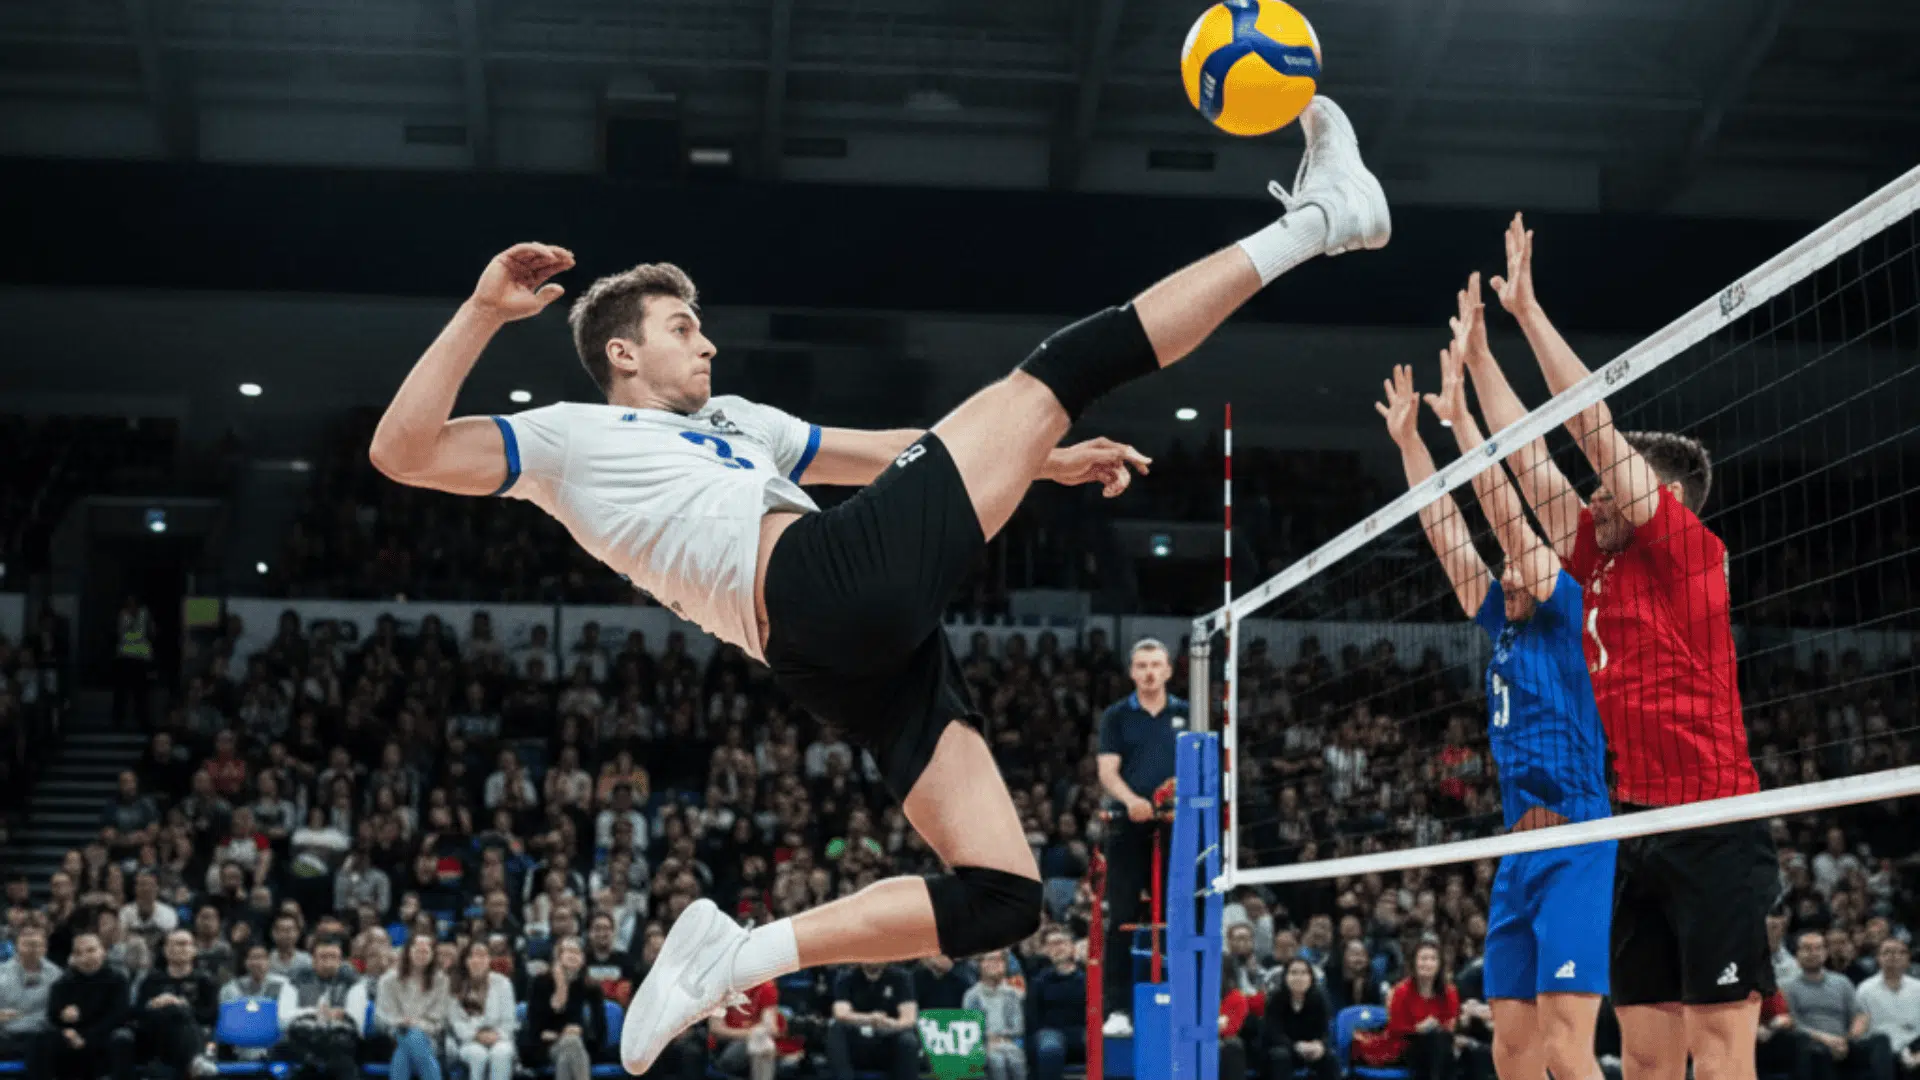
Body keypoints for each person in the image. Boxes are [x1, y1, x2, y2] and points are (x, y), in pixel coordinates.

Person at [366, 93, 1390, 1076]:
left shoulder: (739, 422)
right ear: (623, 352)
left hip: (836, 651)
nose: (707, 340)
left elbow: (890, 452)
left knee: (1003, 898)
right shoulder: (568, 439)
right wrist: (482, 313)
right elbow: (402, 452)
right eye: (682, 327)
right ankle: (1320, 220)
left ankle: (739, 957)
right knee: (1067, 367)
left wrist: (1043, 461)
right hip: (820, 588)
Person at [1465, 216, 1776, 1080]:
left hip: (1712, 823)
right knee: (1642, 1058)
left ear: (1660, 497)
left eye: (1609, 487)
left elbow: (1591, 428)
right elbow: (1532, 462)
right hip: (1630, 825)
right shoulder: (1595, 560)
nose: (1593, 495)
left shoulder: (1686, 553)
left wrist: (1530, 315)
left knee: (1719, 1054)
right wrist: (1482, 363)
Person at [1384, 298, 1612, 1080]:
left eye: (1517, 564)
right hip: (1518, 852)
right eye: (1504, 569)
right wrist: (1412, 443)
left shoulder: (1566, 611)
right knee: (1511, 1050)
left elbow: (1506, 517)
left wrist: (1462, 424)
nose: (1505, 573)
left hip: (1577, 841)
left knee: (1566, 1049)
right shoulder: (1501, 622)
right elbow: (1446, 530)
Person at [1095, 638, 1186, 1034]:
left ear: (1168, 670)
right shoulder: (1116, 716)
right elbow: (1107, 771)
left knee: (1179, 914)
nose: (1149, 672)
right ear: (1132, 672)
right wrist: (1132, 801)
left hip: (1176, 825)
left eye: (1156, 665)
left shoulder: (1187, 713)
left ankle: (1181, 998)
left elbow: (1201, 764)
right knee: (1122, 916)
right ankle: (1118, 1009)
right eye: (1142, 666)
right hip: (1127, 824)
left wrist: (1180, 793)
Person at [1786, 930, 1894, 1080]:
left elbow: (1859, 1016)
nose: (1813, 953)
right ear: (1797, 955)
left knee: (1881, 1040)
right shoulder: (1788, 987)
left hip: (1844, 1042)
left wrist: (1847, 1039)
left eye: (1818, 948)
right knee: (1813, 1050)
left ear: (1825, 953)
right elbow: (1793, 1025)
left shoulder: (1842, 982)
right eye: (1807, 949)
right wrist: (1827, 1040)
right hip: (1813, 1044)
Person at [37, 933, 132, 1080]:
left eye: (91, 950)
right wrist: (64, 1022)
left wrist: (86, 1037)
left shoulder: (118, 979)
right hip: (72, 1037)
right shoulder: (63, 982)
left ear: (103, 952)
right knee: (41, 1038)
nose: (85, 957)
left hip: (104, 1035)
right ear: (73, 957)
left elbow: (118, 1016)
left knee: (122, 1038)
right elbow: (52, 1015)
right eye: (79, 953)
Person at [1360, 941, 1459, 1080]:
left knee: (1455, 1046)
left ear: (1440, 965)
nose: (1428, 963)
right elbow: (1395, 1028)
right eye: (1423, 959)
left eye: (1433, 959)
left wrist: (1440, 1027)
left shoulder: (1449, 992)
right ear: (1414, 963)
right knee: (1434, 1045)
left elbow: (1451, 1022)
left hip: (1440, 1043)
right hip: (1405, 1044)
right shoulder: (1401, 991)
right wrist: (1417, 1028)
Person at [520, 936, 605, 1080]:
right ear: (558, 956)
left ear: (583, 959)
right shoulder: (541, 983)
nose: (573, 956)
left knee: (569, 1048)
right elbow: (535, 1027)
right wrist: (561, 988)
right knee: (571, 1043)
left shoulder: (591, 988)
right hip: (545, 1047)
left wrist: (581, 1032)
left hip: (584, 1046)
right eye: (568, 951)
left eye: (577, 952)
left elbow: (599, 1029)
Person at [284, 936, 367, 1080]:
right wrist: (314, 1012)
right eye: (323, 957)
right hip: (304, 1039)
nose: (328, 963)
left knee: (341, 1052)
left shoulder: (354, 982)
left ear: (341, 960)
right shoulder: (295, 980)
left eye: (333, 957)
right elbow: (283, 1019)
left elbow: (357, 1021)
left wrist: (339, 1016)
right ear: (313, 960)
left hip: (341, 1043)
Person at [376, 932, 451, 1080]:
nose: (421, 955)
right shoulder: (389, 980)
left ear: (432, 955)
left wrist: (417, 1024)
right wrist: (401, 1022)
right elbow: (383, 1015)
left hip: (430, 1035)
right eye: (417, 950)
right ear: (408, 952)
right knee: (410, 1037)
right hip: (394, 1033)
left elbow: (439, 1017)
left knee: (405, 1049)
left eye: (425, 952)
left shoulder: (441, 980)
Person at [828, 962, 920, 1080]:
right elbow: (840, 1013)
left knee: (908, 1039)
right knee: (836, 1029)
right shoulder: (846, 977)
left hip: (888, 1038)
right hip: (858, 1039)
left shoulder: (901, 976)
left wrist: (891, 1024)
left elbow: (909, 1018)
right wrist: (871, 1018)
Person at [448, 941, 518, 1080]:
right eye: (472, 956)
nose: (477, 960)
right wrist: (476, 1035)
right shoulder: (456, 985)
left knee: (501, 1053)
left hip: (500, 1038)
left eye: (482, 956)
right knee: (477, 1054)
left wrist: (496, 1036)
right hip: (469, 1040)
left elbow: (509, 1021)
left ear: (489, 959)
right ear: (466, 961)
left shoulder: (503, 983)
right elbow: (456, 1022)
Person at [711, 977, 804, 1080]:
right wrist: (753, 1033)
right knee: (760, 1038)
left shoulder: (766, 987)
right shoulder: (721, 990)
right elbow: (716, 1029)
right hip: (728, 1047)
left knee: (761, 1041)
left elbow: (770, 1027)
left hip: (761, 1043)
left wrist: (757, 1033)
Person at [1027, 927, 1088, 1080]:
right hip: (1051, 1031)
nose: (1057, 948)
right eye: (1052, 945)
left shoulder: (1087, 979)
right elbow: (1033, 1017)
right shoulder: (1039, 981)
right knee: (1050, 1048)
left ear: (1072, 946)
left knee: (1106, 1043)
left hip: (1082, 1031)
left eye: (1061, 942)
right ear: (1046, 951)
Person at [1264, 957, 1336, 1080]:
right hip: (1284, 1048)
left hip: (1310, 1049)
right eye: (1294, 973)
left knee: (1329, 1057)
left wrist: (1319, 1045)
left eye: (1304, 973)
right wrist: (1296, 1046)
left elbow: (1325, 1031)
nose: (1299, 977)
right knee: (1280, 1056)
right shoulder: (1276, 999)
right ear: (1285, 977)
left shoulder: (1319, 999)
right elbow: (1274, 1034)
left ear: (1311, 977)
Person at [1859, 940, 1920, 1079]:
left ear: (1908, 958)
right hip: (1881, 1051)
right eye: (1887, 952)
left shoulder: (1918, 988)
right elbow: (1861, 1031)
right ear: (1878, 958)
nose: (1894, 956)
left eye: (1900, 952)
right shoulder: (1865, 990)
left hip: (1914, 1047)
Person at [964, 949, 1027, 1080]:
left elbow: (1018, 1027)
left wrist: (1001, 1039)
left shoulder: (1012, 994)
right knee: (996, 1059)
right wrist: (988, 1039)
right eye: (990, 959)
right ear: (981, 964)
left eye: (999, 960)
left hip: (1009, 1042)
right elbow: (970, 1030)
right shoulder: (972, 996)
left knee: (1015, 1058)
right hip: (982, 1044)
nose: (995, 964)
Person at [0, 924, 59, 1062]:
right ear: (17, 947)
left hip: (40, 1038)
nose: (32, 950)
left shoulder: (56, 975)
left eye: (37, 945)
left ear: (45, 948)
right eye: (27, 945)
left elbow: (55, 1013)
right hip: (5, 1036)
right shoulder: (1, 972)